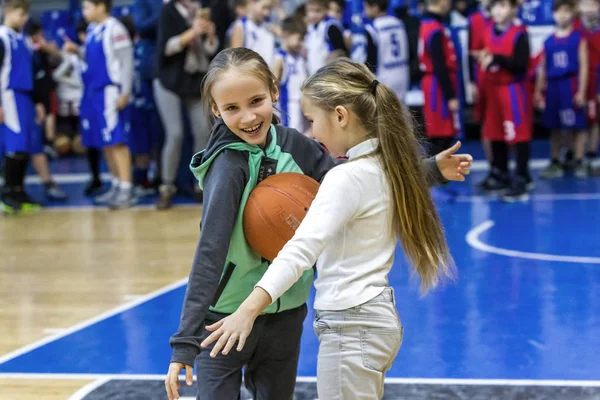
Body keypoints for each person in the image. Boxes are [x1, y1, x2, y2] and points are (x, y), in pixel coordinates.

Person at [164, 47, 473, 400]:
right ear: (215, 110)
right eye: (232, 108)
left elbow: (360, 180)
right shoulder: (227, 167)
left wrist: (430, 170)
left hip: (286, 312)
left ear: (274, 93)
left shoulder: (294, 145)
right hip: (227, 318)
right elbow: (210, 252)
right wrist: (186, 342)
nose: (248, 116)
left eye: (256, 101)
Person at [65, 0, 136, 209]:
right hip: (94, 92)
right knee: (106, 142)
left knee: (116, 141)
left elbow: (126, 61)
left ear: (101, 6)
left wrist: (125, 91)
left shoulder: (115, 28)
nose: (83, 11)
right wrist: (76, 51)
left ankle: (126, 188)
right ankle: (115, 185)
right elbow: (93, 58)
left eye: (87, 7)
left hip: (110, 91)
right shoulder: (93, 29)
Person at [154, 0, 218, 209]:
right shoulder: (168, 11)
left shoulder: (202, 10)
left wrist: (209, 34)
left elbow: (212, 50)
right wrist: (192, 32)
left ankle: (200, 186)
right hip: (169, 81)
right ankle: (167, 187)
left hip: (195, 80)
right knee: (175, 134)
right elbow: (167, 47)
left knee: (203, 131)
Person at [478, 0, 532, 201]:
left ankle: (521, 176)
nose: (499, 11)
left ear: (513, 9)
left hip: (512, 89)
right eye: (495, 7)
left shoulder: (520, 33)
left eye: (504, 6)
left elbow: (521, 65)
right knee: (495, 132)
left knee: (518, 133)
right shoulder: (488, 31)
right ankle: (500, 172)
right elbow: (485, 57)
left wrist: (497, 59)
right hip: (493, 89)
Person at [0, 0, 45, 214]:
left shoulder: (22, 40)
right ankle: (8, 194)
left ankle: (19, 191)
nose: (25, 18)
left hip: (25, 96)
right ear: (8, 11)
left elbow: (32, 74)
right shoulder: (2, 38)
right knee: (15, 145)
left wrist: (37, 102)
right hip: (9, 95)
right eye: (21, 13)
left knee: (25, 146)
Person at [536, 0, 589, 179]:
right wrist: (538, 91)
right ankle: (555, 161)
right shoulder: (548, 41)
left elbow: (584, 66)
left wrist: (581, 91)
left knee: (577, 125)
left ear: (572, 14)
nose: (563, 15)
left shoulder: (578, 38)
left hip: (570, 83)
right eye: (559, 12)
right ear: (553, 14)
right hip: (553, 86)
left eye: (566, 11)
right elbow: (542, 68)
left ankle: (579, 160)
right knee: (555, 126)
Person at [418, 0, 461, 157]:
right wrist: (450, 96)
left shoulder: (427, 24)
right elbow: (439, 65)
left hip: (433, 82)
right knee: (441, 133)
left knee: (439, 132)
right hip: (438, 85)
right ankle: (434, 174)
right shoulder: (435, 28)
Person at [363, 0, 410, 102]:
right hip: (402, 73)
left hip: (384, 77)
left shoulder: (373, 28)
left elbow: (371, 59)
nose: (365, 10)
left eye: (366, 7)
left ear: (375, 7)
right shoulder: (399, 23)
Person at [272, 17, 308, 132]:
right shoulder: (279, 58)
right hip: (288, 109)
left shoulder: (300, 57)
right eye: (299, 39)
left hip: (302, 107)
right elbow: (271, 86)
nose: (301, 43)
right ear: (287, 35)